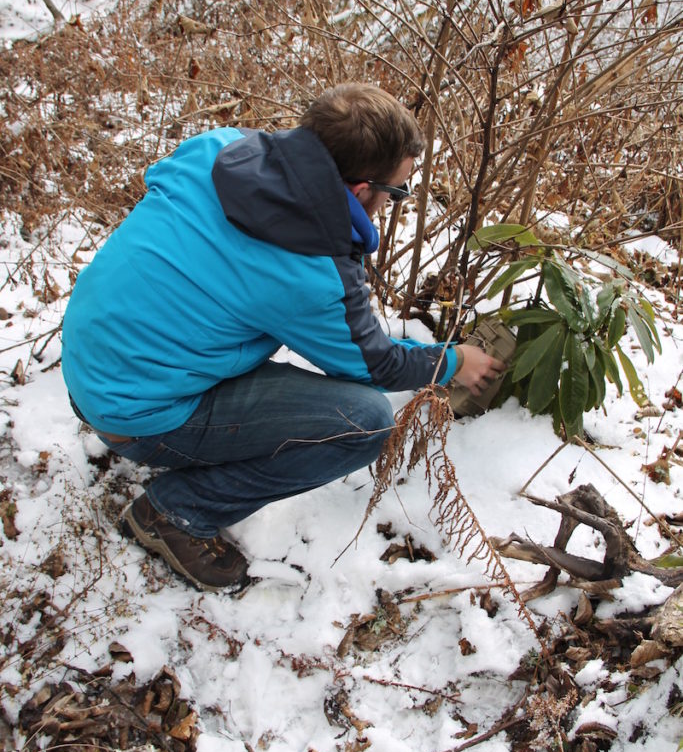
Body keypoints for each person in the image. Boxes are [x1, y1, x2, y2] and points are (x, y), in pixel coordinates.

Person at [62, 84, 503, 592]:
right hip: (135, 415)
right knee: (361, 423)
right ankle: (175, 514)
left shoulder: (219, 148)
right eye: (396, 191)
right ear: (361, 189)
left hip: (91, 364)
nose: (393, 201)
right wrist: (451, 363)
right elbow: (374, 365)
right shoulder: (310, 270)